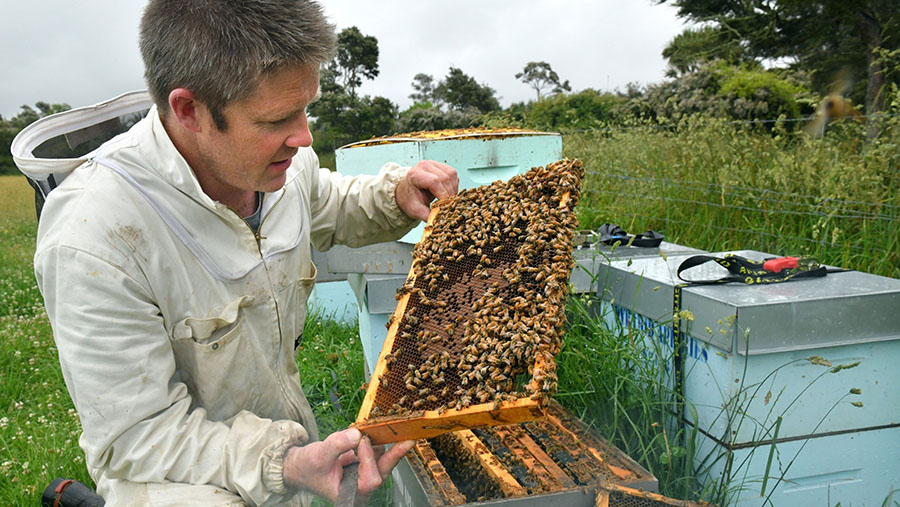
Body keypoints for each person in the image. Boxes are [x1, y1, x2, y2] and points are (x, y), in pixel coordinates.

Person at [32, 0, 458, 505]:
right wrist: (285, 462)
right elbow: (137, 436)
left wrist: (394, 195)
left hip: (284, 440)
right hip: (175, 477)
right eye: (277, 118)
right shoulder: (95, 234)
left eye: (305, 108)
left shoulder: (283, 163)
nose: (304, 135)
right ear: (189, 110)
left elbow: (323, 201)